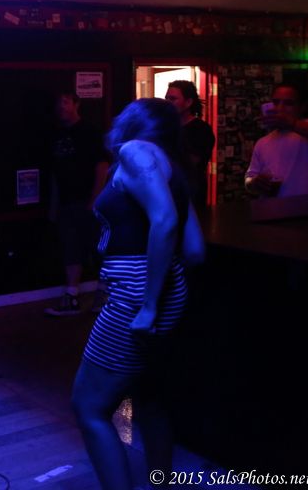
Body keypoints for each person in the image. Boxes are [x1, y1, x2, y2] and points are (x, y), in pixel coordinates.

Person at [71, 98, 205, 490]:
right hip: (165, 291)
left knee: (89, 407)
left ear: (131, 121)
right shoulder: (173, 167)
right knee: (150, 398)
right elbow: (195, 250)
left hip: (136, 296)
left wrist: (148, 304)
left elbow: (164, 220)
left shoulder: (135, 151)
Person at [44, 88, 110, 316]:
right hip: (67, 201)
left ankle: (103, 295)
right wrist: (54, 205)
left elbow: (102, 166)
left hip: (89, 200)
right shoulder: (56, 134)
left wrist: (95, 199)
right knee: (70, 248)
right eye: (58, 103)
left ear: (76, 104)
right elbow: (55, 172)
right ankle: (71, 297)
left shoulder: (90, 131)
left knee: (98, 248)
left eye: (65, 102)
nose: (61, 107)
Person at [245, 83, 308, 198]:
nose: (280, 108)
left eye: (288, 103)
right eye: (276, 103)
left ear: (303, 107)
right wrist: (254, 182)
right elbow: (249, 179)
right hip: (271, 208)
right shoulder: (262, 142)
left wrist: (292, 123)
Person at [164, 80, 215, 209]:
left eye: (173, 99)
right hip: (167, 191)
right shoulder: (166, 127)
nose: (168, 103)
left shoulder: (201, 129)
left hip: (190, 192)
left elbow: (192, 162)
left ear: (188, 102)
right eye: (166, 98)